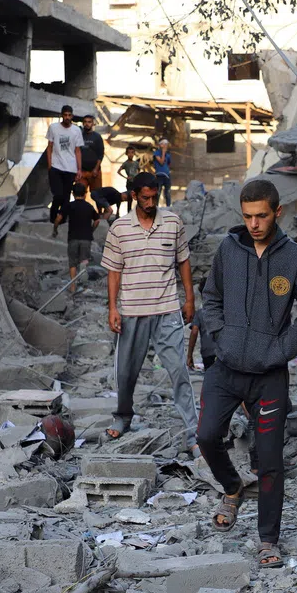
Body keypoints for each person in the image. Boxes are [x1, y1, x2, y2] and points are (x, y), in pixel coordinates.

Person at [196, 178, 297, 568]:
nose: (253, 224)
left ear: (277, 212)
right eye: (247, 216)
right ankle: (232, 488)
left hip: (269, 376)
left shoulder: (296, 257)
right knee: (206, 436)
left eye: (261, 216)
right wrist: (220, 336)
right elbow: (211, 297)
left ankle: (268, 540)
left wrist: (278, 352)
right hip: (227, 367)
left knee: (269, 461)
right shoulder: (229, 250)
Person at [102, 172, 199, 454]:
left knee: (179, 370)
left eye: (154, 196)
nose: (150, 202)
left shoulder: (172, 222)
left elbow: (183, 261)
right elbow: (113, 271)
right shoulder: (119, 229)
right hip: (132, 311)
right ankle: (123, 418)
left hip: (167, 309)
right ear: (134, 196)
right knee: (125, 373)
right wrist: (113, 308)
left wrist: (189, 299)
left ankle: (193, 434)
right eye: (144, 197)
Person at [53, 182, 101, 294]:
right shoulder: (89, 206)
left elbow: (58, 219)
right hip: (86, 239)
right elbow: (97, 220)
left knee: (73, 263)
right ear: (85, 194)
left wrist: (55, 229)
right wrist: (91, 230)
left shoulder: (69, 206)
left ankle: (73, 286)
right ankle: (83, 286)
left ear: (73, 194)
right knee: (83, 262)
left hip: (73, 238)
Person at [46, 105, 82, 223]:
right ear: (62, 115)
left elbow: (77, 150)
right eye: (65, 115)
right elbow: (49, 147)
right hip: (56, 167)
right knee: (58, 195)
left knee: (66, 196)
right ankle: (52, 219)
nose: (67, 117)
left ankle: (63, 220)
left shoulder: (76, 130)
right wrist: (50, 165)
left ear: (72, 116)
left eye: (69, 115)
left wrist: (79, 169)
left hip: (70, 168)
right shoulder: (53, 128)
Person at [187, 278, 217, 371]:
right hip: (222, 351)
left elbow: (194, 331)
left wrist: (189, 356)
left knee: (211, 380)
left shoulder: (200, 313)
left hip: (207, 353)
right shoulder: (223, 311)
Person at [78, 114, 105, 191]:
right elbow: (75, 152)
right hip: (82, 172)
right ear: (83, 123)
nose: (87, 124)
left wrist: (96, 169)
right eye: (85, 122)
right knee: (80, 194)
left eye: (89, 122)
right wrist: (78, 170)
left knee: (97, 195)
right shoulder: (79, 136)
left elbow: (101, 154)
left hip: (94, 172)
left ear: (93, 123)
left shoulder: (97, 137)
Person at [117, 145, 142, 213]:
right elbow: (118, 171)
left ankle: (139, 211)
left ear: (134, 154)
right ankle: (129, 211)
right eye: (129, 153)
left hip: (135, 182)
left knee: (138, 196)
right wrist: (126, 177)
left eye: (132, 152)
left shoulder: (136, 163)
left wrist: (138, 176)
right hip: (129, 182)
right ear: (126, 154)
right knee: (130, 197)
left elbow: (139, 169)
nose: (131, 154)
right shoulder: (125, 163)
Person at [152, 138, 172, 207]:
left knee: (168, 193)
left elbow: (168, 164)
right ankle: (156, 207)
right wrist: (163, 152)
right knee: (158, 192)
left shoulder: (168, 154)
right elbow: (161, 162)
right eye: (164, 143)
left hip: (167, 176)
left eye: (166, 143)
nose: (166, 145)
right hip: (159, 176)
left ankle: (168, 207)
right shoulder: (156, 153)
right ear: (160, 145)